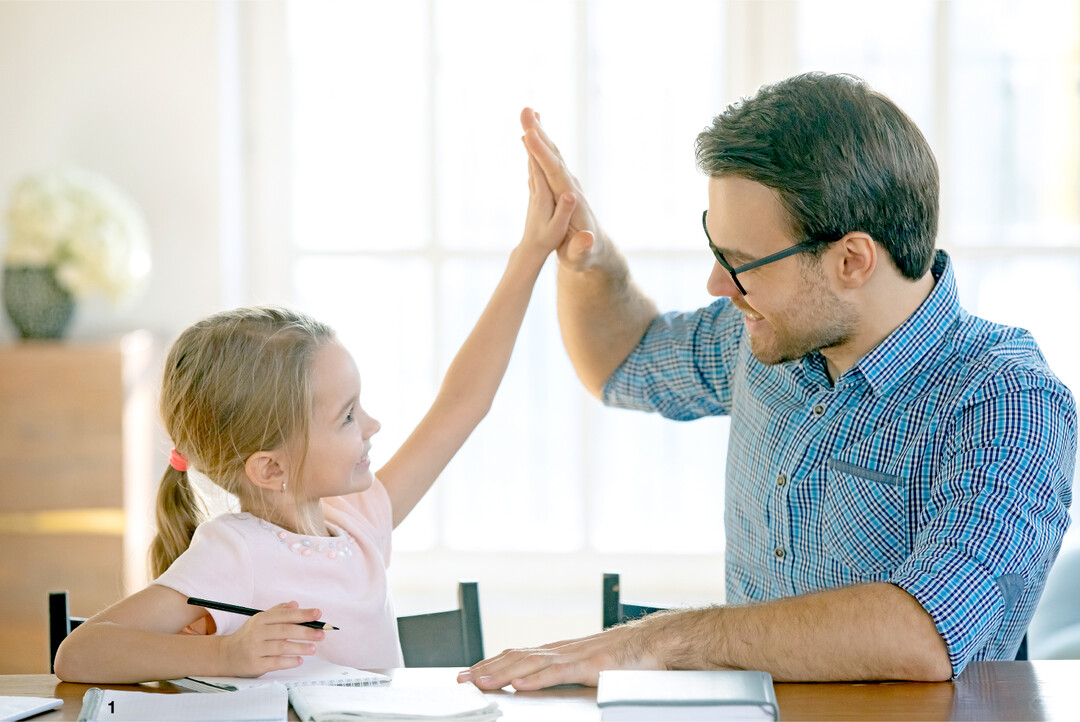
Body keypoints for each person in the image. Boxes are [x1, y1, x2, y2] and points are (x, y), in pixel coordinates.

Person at [460, 72, 1076, 690]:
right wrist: (587, 255)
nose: (717, 285)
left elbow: (927, 633)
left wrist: (654, 641)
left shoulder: (1006, 400)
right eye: (716, 249)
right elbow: (622, 359)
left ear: (851, 260)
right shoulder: (765, 337)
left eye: (744, 264)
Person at [53, 153, 579, 684]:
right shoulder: (234, 551)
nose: (372, 425)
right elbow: (78, 654)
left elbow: (463, 403)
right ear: (270, 469)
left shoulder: (359, 519)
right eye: (347, 416)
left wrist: (531, 252)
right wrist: (224, 656)